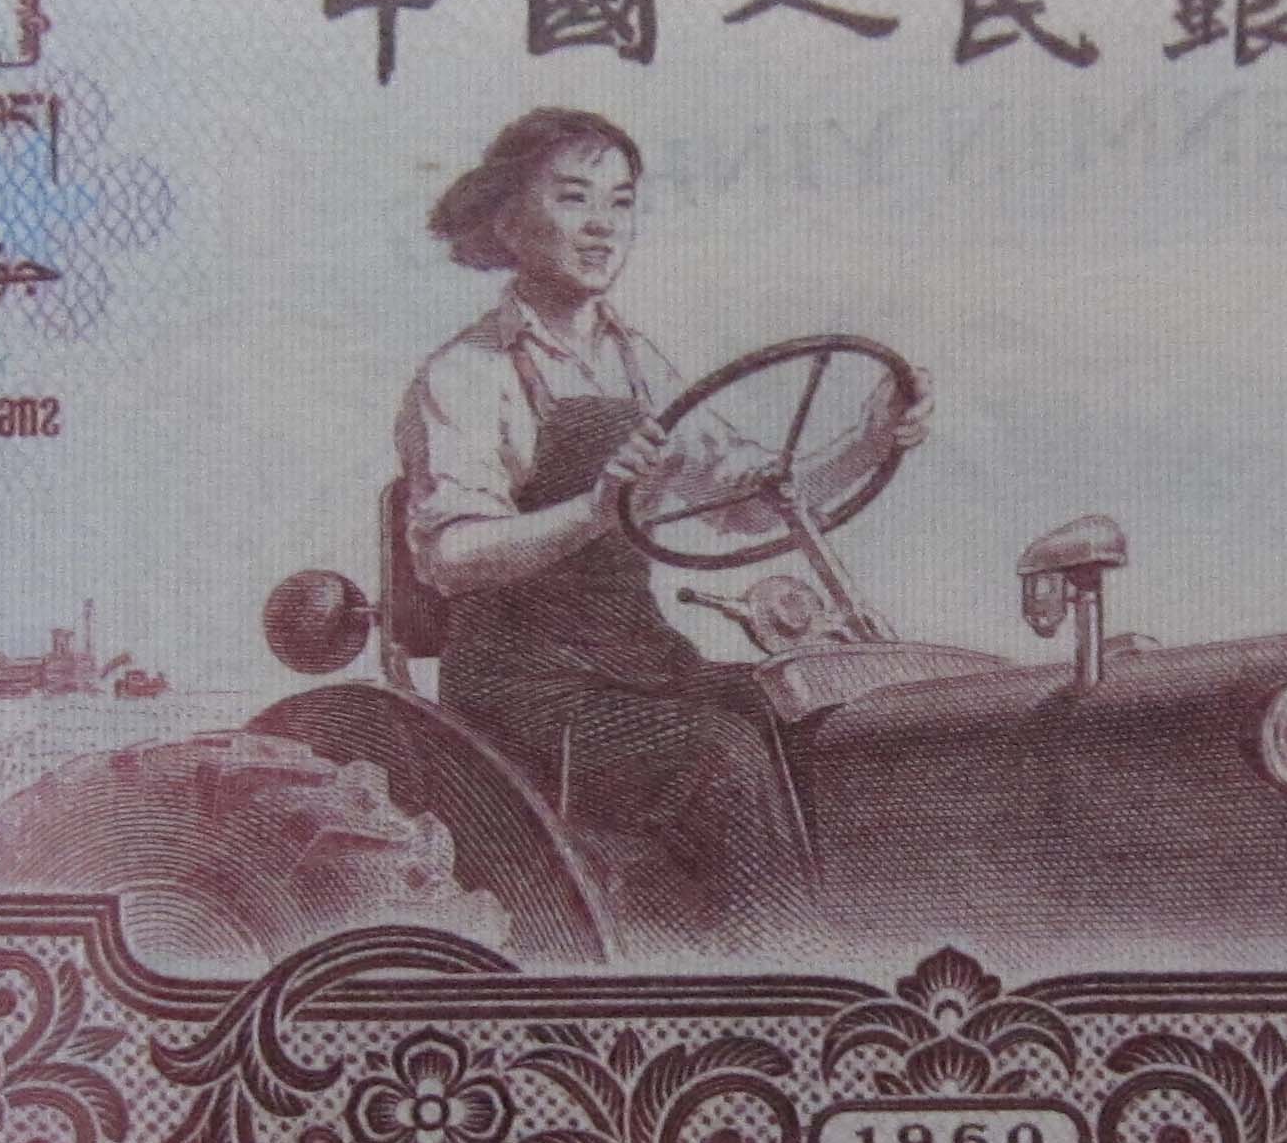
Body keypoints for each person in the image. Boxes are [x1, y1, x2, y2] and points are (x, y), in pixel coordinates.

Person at [393, 108, 926, 950]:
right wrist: (594, 510)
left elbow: (750, 502)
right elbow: (450, 556)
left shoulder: (638, 361)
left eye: (621, 203)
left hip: (639, 661)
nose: (602, 226)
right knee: (718, 757)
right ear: (507, 222)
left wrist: (867, 442)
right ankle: (778, 976)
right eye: (574, 198)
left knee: (809, 720)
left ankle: (861, 947)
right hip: (522, 684)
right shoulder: (467, 375)